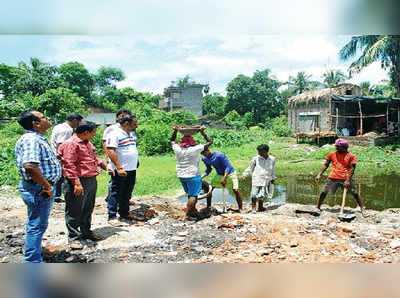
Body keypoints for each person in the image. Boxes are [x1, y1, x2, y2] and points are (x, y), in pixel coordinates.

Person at [15, 111, 62, 263]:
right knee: (37, 224)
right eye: (43, 117)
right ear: (35, 123)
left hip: (39, 187)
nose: (47, 118)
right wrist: (47, 186)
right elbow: (30, 166)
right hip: (39, 188)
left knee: (37, 222)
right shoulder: (31, 139)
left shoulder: (37, 138)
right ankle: (32, 261)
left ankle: (35, 250)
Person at [58, 121, 107, 247]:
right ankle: (74, 237)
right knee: (74, 209)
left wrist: (104, 166)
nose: (94, 135)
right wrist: (76, 183)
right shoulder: (71, 144)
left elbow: (93, 158)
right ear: (86, 132)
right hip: (77, 181)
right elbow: (69, 164)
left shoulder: (87, 143)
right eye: (93, 133)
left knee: (87, 207)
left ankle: (86, 232)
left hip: (90, 179)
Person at [170, 125, 213, 220]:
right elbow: (210, 142)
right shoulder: (196, 148)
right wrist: (202, 132)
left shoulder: (178, 148)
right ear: (192, 141)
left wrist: (176, 131)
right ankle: (188, 214)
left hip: (181, 175)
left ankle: (193, 211)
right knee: (193, 195)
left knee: (190, 193)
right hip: (193, 175)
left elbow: (172, 141)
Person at [315, 138, 365, 215]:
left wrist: (348, 180)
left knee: (354, 193)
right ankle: (318, 207)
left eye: (338, 146)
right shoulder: (332, 154)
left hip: (345, 178)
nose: (336, 148)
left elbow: (352, 169)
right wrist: (319, 174)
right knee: (323, 192)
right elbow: (326, 165)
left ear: (344, 147)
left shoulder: (351, 156)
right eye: (336, 146)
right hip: (333, 177)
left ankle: (362, 208)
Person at [106, 115, 139, 226]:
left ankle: (124, 213)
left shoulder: (129, 134)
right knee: (116, 192)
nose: (136, 126)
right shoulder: (115, 134)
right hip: (121, 169)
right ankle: (112, 216)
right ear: (126, 123)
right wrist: (119, 167)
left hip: (131, 169)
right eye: (134, 124)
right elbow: (110, 151)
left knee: (127, 192)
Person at [50, 114, 83, 202]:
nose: (79, 125)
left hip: (55, 155)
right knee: (63, 177)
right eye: (79, 122)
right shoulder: (66, 130)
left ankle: (56, 195)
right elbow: (63, 145)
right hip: (60, 157)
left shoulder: (59, 126)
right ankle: (57, 196)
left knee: (58, 176)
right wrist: (67, 159)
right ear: (75, 120)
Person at [242, 144, 276, 213]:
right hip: (257, 178)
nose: (259, 153)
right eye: (258, 151)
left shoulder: (272, 159)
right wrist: (245, 174)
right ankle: (253, 208)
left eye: (260, 151)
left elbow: (273, 169)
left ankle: (260, 207)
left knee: (262, 194)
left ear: (265, 151)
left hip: (266, 179)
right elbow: (250, 167)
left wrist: (273, 178)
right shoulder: (256, 158)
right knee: (254, 194)